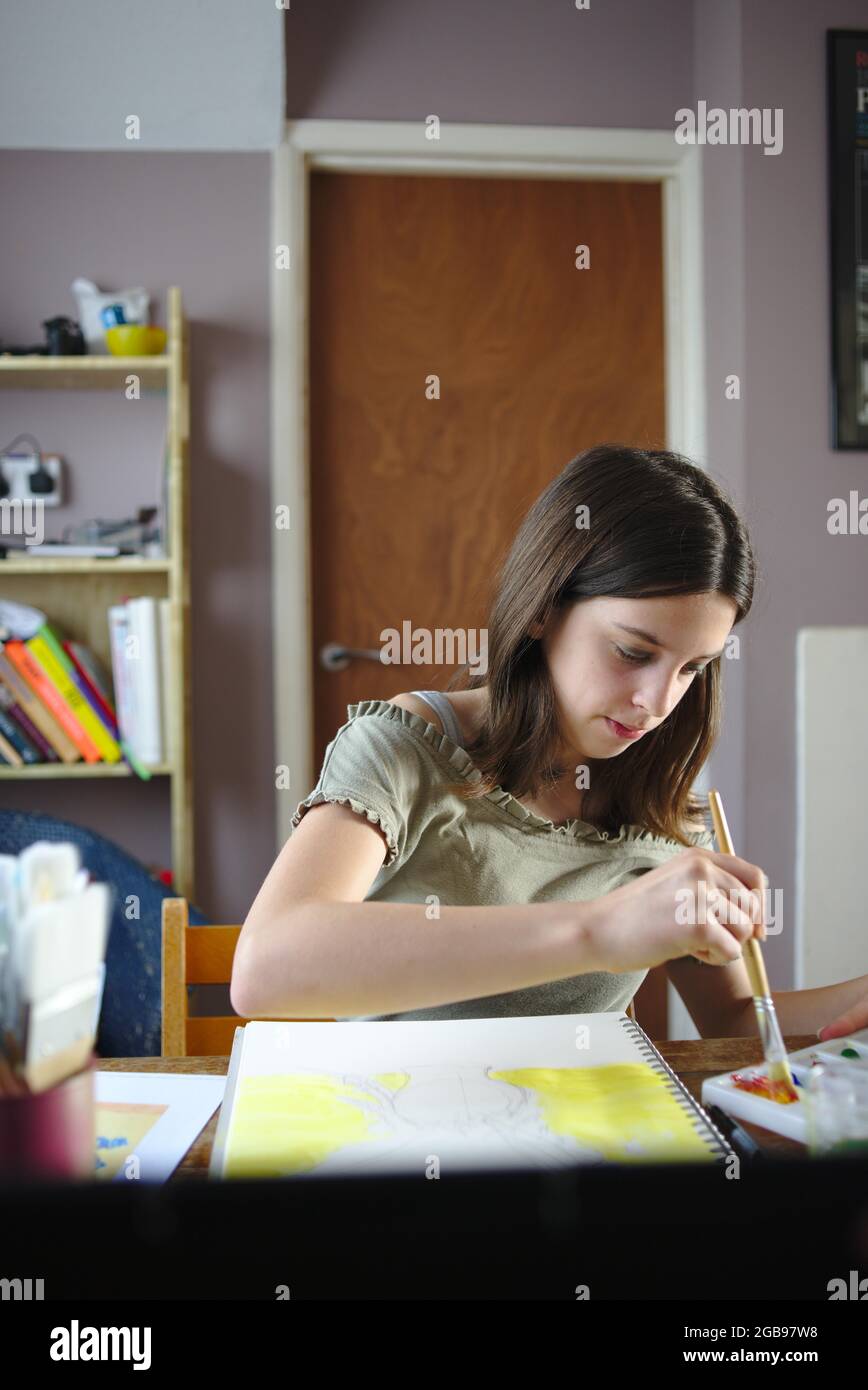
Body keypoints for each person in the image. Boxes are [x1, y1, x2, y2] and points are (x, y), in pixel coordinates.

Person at [232, 444, 868, 1038]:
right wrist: (602, 929)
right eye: (632, 651)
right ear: (542, 609)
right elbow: (266, 968)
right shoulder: (404, 749)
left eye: (691, 667)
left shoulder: (662, 806)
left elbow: (734, 1021)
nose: (659, 702)